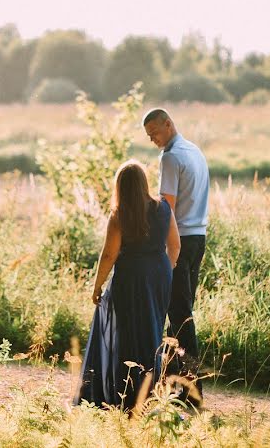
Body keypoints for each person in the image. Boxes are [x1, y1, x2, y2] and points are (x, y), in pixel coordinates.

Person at [75, 160, 181, 410]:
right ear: (144, 182)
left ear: (120, 187)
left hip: (130, 277)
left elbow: (109, 255)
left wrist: (97, 286)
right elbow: (175, 246)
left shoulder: (120, 215)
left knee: (125, 332)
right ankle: (151, 394)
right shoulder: (164, 207)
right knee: (152, 330)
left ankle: (124, 393)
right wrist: (165, 271)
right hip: (158, 275)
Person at [142, 108, 209, 405]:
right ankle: (170, 385)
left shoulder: (170, 157)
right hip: (198, 238)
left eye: (155, 132)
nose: (153, 140)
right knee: (180, 313)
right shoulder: (194, 151)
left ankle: (193, 392)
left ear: (168, 124)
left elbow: (166, 207)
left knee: (181, 318)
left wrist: (156, 245)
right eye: (149, 136)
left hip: (178, 240)